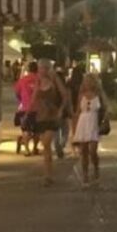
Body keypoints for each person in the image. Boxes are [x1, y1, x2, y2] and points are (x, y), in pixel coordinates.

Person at [29, 59, 69, 187]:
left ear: (47, 69)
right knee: (45, 147)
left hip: (52, 116)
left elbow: (65, 95)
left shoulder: (54, 80)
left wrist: (61, 110)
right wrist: (26, 113)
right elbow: (34, 97)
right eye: (39, 68)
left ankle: (48, 175)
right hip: (41, 116)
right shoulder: (38, 81)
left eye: (42, 68)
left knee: (46, 142)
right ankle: (48, 174)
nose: (40, 71)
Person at [72, 73, 106, 186]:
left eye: (90, 81)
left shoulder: (98, 94)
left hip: (93, 123)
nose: (88, 83)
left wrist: (103, 122)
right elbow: (77, 111)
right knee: (84, 151)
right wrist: (74, 129)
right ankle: (85, 175)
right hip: (83, 122)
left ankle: (96, 167)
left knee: (93, 150)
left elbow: (105, 109)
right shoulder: (81, 95)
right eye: (86, 81)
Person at [15, 61, 40, 156]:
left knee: (25, 129)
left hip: (24, 108)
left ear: (29, 69)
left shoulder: (22, 80)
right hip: (38, 109)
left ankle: (26, 149)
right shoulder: (39, 80)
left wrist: (21, 100)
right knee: (37, 130)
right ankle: (35, 148)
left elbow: (17, 92)